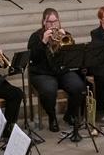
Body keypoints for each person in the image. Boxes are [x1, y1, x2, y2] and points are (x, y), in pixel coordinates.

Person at [28, 8, 84, 137]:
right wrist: (43, 42)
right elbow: (32, 58)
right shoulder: (36, 37)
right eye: (50, 22)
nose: (53, 25)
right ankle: (52, 117)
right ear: (44, 22)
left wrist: (66, 41)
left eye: (55, 21)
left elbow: (73, 57)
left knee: (79, 87)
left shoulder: (65, 34)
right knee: (48, 90)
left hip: (62, 71)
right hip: (42, 73)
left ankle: (69, 115)